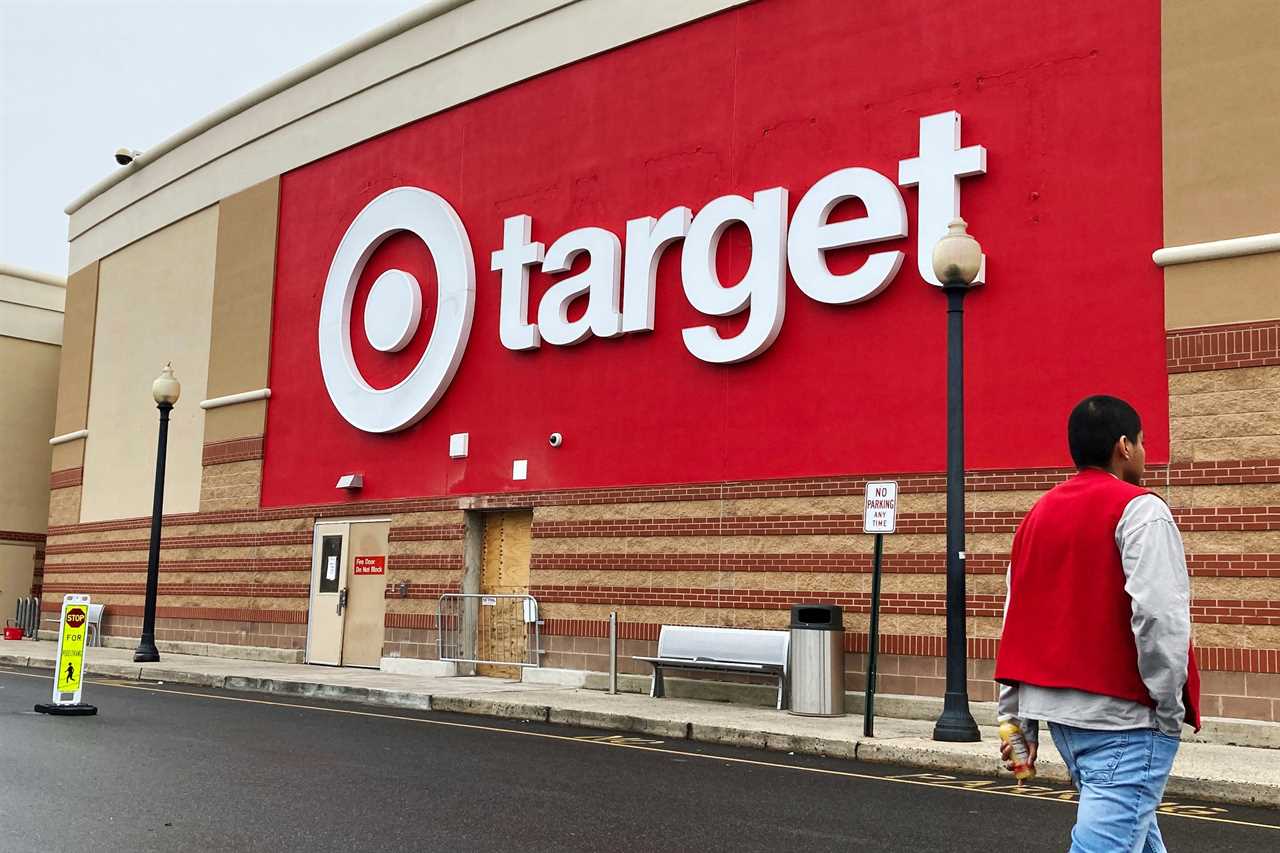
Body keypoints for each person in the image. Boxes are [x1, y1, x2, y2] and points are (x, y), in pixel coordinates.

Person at [995, 395, 1201, 853]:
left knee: (1134, 837)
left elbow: (1017, 620)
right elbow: (1159, 618)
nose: (1146, 453)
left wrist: (1014, 716)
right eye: (1143, 442)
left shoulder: (1037, 515)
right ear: (1124, 446)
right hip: (1125, 721)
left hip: (1062, 720)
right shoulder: (1142, 510)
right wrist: (1168, 709)